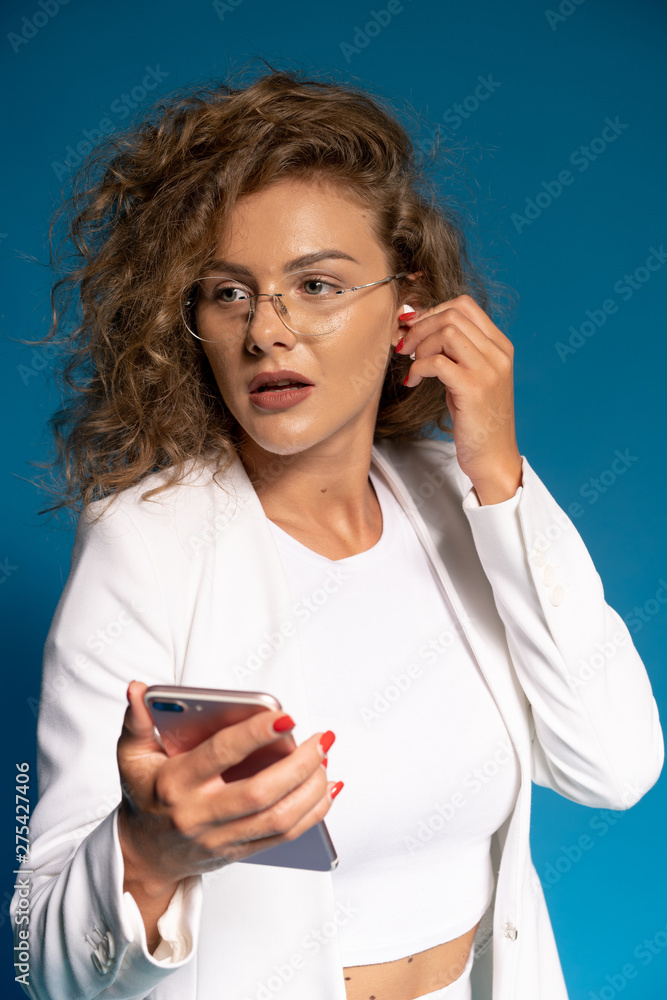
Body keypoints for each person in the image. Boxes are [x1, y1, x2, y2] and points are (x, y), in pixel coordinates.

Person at [11, 69, 663, 1000]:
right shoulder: (146, 543)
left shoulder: (463, 500)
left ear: (412, 302)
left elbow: (615, 767)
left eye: (315, 283)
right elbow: (43, 959)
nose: (268, 331)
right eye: (228, 292)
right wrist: (148, 853)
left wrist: (499, 476)